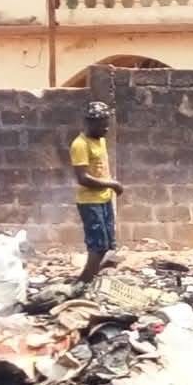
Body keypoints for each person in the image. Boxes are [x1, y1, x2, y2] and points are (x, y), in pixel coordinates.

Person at [69, 101, 123, 285]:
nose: (106, 128)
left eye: (107, 124)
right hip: (90, 202)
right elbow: (83, 178)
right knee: (97, 246)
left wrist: (109, 187)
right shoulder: (80, 145)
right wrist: (112, 184)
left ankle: (92, 278)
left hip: (104, 200)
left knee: (108, 246)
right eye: (102, 125)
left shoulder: (100, 140)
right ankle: (82, 284)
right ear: (89, 123)